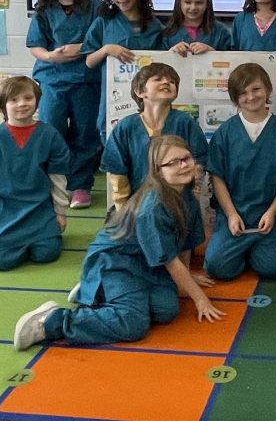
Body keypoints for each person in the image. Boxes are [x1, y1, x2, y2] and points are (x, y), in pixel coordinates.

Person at [12, 135, 225, 350]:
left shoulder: (186, 195)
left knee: (167, 309)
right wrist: (200, 300)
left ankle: (99, 293)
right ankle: (51, 322)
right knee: (133, 324)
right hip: (116, 262)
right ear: (158, 171)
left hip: (146, 264)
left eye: (186, 158)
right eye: (173, 163)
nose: (183, 166)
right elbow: (170, 261)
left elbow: (185, 244)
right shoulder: (152, 208)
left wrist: (186, 278)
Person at [0, 76, 71, 271]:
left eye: (28, 98)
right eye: (14, 100)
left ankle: (35, 239)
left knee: (48, 253)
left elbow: (58, 178)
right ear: (3, 105)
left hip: (39, 206)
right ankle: (4, 242)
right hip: (4, 208)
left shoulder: (49, 135)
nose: (22, 104)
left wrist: (60, 212)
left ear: (37, 100)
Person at [204, 63, 276, 279]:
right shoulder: (226, 132)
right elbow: (216, 177)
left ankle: (272, 244)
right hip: (236, 214)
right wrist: (230, 214)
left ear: (267, 88)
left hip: (270, 215)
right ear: (235, 98)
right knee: (217, 268)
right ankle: (244, 251)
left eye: (256, 89)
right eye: (243, 93)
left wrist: (272, 212)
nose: (250, 97)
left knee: (272, 268)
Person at [26, 0, 103, 210]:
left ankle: (80, 186)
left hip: (86, 80)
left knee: (85, 133)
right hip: (52, 79)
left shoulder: (95, 6)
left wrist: (80, 48)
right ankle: (55, 184)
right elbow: (35, 45)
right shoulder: (44, 10)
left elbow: (103, 37)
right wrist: (50, 56)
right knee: (52, 130)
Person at [101, 63, 208, 211]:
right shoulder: (126, 127)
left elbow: (198, 163)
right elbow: (118, 172)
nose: (166, 82)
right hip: (136, 207)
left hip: (180, 205)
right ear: (139, 91)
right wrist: (123, 210)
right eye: (158, 79)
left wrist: (192, 201)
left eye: (172, 82)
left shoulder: (185, 122)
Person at [83, 0, 165, 143]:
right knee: (115, 145)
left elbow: (163, 61)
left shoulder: (154, 25)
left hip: (146, 99)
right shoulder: (103, 23)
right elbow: (89, 61)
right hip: (115, 100)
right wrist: (106, 49)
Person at [163, 0, 232, 55]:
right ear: (178, 2)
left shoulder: (221, 32)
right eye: (188, 2)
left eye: (199, 3)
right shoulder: (167, 33)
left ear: (208, 3)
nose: (193, 7)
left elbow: (230, 62)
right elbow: (158, 61)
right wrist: (170, 53)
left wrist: (212, 52)